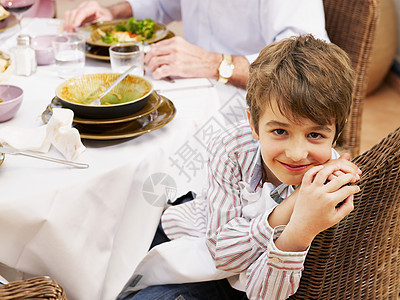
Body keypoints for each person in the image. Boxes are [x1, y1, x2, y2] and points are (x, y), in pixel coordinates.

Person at [116, 34, 361, 300]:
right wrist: (291, 206)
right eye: (280, 131)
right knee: (117, 273)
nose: (296, 153)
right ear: (254, 125)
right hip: (194, 235)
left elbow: (260, 293)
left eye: (315, 135)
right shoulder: (233, 148)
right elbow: (220, 254)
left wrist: (298, 230)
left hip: (233, 281)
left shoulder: (329, 189)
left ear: (336, 135)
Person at [63, 0, 330, 89]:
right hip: (187, 87)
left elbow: (306, 68)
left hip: (250, 109)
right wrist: (114, 13)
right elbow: (162, 4)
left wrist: (215, 65)